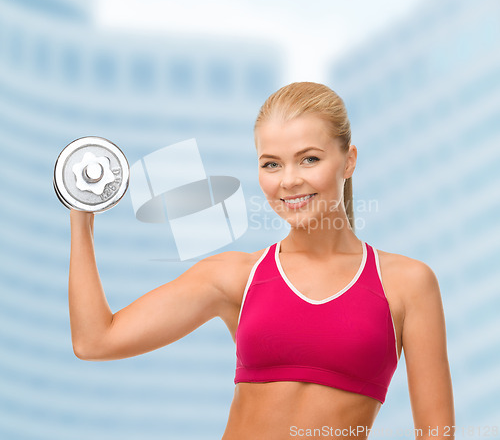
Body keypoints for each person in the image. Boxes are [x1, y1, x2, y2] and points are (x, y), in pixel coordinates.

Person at [68, 82, 455, 439]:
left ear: (349, 161)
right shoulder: (237, 277)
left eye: (309, 159)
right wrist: (81, 212)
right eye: (271, 164)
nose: (288, 181)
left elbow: (438, 433)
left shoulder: (406, 284)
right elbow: (95, 340)